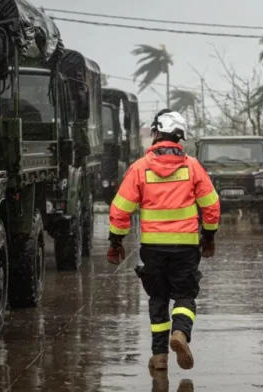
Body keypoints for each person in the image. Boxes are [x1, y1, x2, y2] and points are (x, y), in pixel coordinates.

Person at [107, 109, 220, 375]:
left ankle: (159, 356)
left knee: (158, 298)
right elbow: (212, 205)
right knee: (184, 296)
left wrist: (116, 241)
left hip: (153, 248)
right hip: (186, 247)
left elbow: (120, 209)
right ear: (179, 137)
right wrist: (209, 235)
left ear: (157, 132)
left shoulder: (139, 168)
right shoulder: (192, 167)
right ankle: (180, 332)